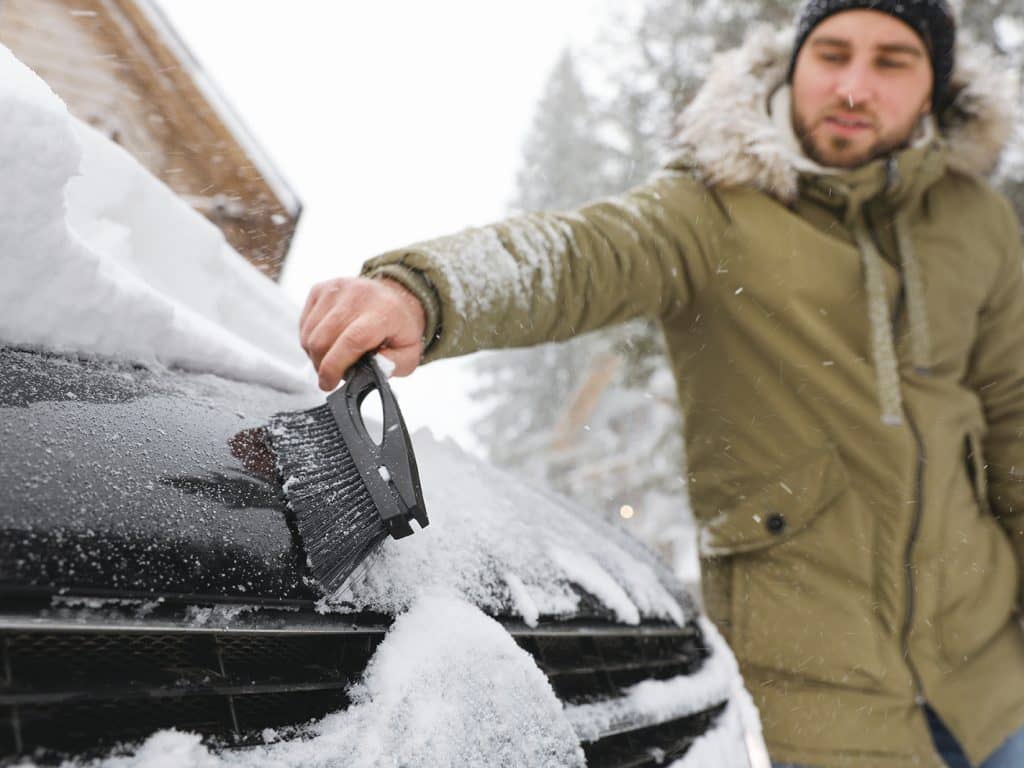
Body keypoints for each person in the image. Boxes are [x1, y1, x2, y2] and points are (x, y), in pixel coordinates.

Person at [298, 2, 1024, 765]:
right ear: (795, 61)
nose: (852, 85)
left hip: (991, 674)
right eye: (833, 53)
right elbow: (578, 254)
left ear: (934, 85)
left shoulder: (974, 221)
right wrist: (424, 291)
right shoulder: (713, 208)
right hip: (818, 692)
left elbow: (1012, 416)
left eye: (892, 61)